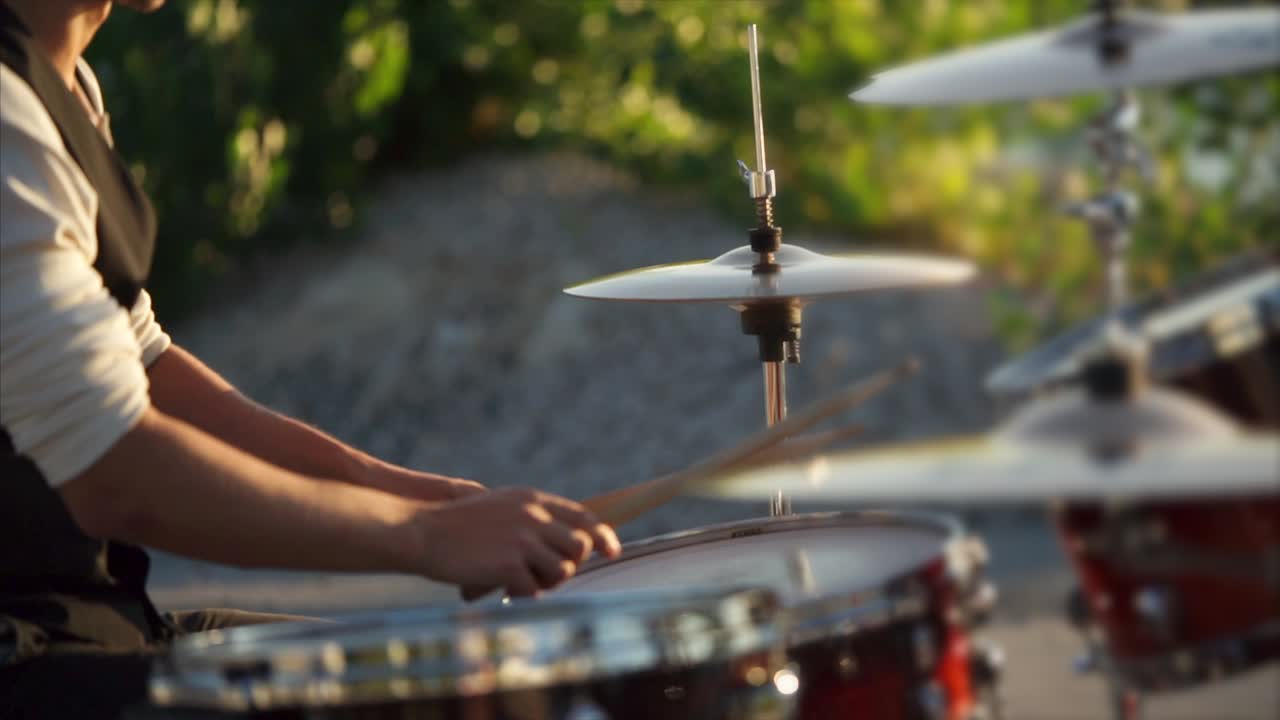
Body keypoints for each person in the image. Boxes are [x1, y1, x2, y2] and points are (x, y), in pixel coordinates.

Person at [0, 1, 621, 716]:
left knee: (477, 679)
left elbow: (141, 365)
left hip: (91, 633)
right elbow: (115, 474)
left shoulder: (61, 80)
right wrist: (423, 539)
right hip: (26, 665)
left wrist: (409, 493)